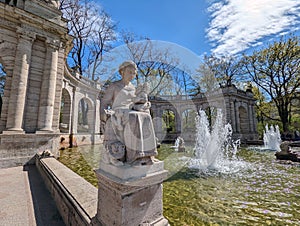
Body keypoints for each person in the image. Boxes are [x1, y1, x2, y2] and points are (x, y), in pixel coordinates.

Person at [100, 61, 157, 166]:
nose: (132, 75)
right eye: (129, 72)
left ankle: (148, 154)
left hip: (131, 110)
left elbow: (135, 102)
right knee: (134, 116)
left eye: (134, 73)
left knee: (146, 116)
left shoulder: (134, 88)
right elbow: (104, 103)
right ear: (122, 72)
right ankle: (133, 156)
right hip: (118, 112)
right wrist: (103, 116)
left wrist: (144, 104)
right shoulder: (114, 86)